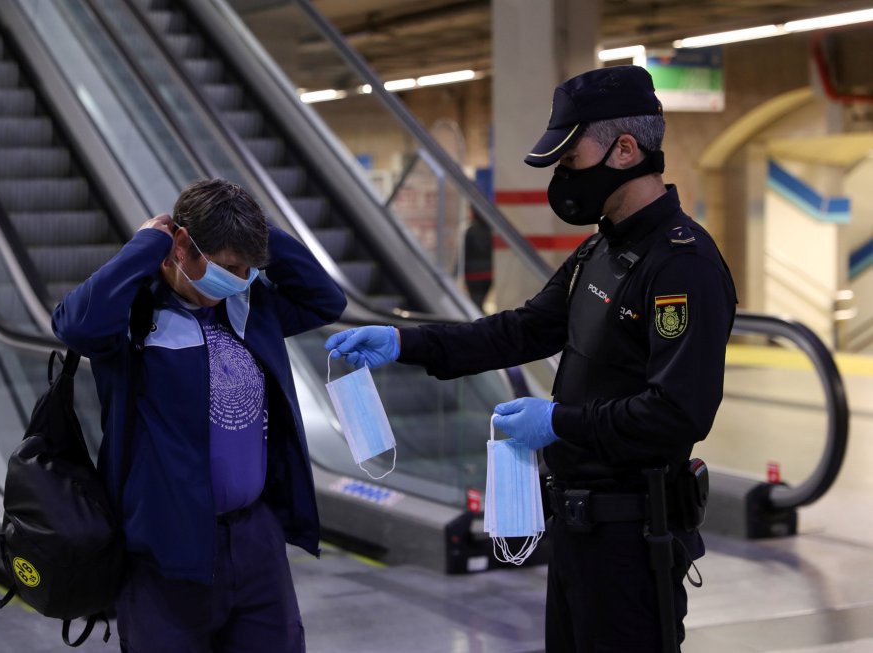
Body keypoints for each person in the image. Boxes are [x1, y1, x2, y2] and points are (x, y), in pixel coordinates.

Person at [325, 65, 737, 652]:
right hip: (576, 532)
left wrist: (558, 422)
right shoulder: (599, 250)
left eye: (571, 158)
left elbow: (678, 413)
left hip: (632, 537)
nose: (564, 174)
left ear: (625, 150)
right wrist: (404, 342)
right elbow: (518, 332)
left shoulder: (682, 266)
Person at [53, 178, 346, 652]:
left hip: (255, 542)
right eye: (229, 266)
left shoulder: (249, 307)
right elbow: (76, 324)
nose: (239, 278)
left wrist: (257, 231)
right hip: (165, 552)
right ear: (183, 246)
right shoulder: (134, 318)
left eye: (250, 268)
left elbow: (325, 300)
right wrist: (149, 243)